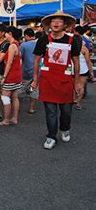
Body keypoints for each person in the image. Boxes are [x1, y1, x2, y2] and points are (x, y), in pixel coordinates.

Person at [31, 11, 81, 150]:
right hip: (48, 80)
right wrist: (35, 79)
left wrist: (77, 82)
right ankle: (51, 136)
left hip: (65, 81)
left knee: (66, 111)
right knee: (50, 111)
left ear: (64, 25)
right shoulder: (43, 40)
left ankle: (65, 128)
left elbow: (76, 61)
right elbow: (36, 59)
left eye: (59, 21)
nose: (56, 23)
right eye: (54, 21)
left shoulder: (72, 40)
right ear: (50, 24)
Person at [0, 26, 22, 126]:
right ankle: (14, 118)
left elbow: (9, 63)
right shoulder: (17, 45)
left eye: (6, 33)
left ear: (10, 33)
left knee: (5, 97)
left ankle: (6, 120)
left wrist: (4, 77)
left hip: (11, 75)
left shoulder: (12, 46)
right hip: (17, 74)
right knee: (15, 97)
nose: (4, 35)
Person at [72, 27, 93, 110]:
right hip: (83, 70)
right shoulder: (84, 49)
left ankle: (73, 99)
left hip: (73, 69)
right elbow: (88, 61)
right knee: (81, 86)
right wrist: (91, 72)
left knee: (73, 86)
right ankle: (78, 103)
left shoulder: (70, 48)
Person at [19, 28, 38, 114]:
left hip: (26, 70)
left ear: (26, 36)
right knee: (34, 90)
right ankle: (31, 108)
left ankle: (17, 107)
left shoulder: (23, 45)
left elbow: (19, 58)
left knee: (21, 90)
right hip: (37, 71)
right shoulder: (39, 44)